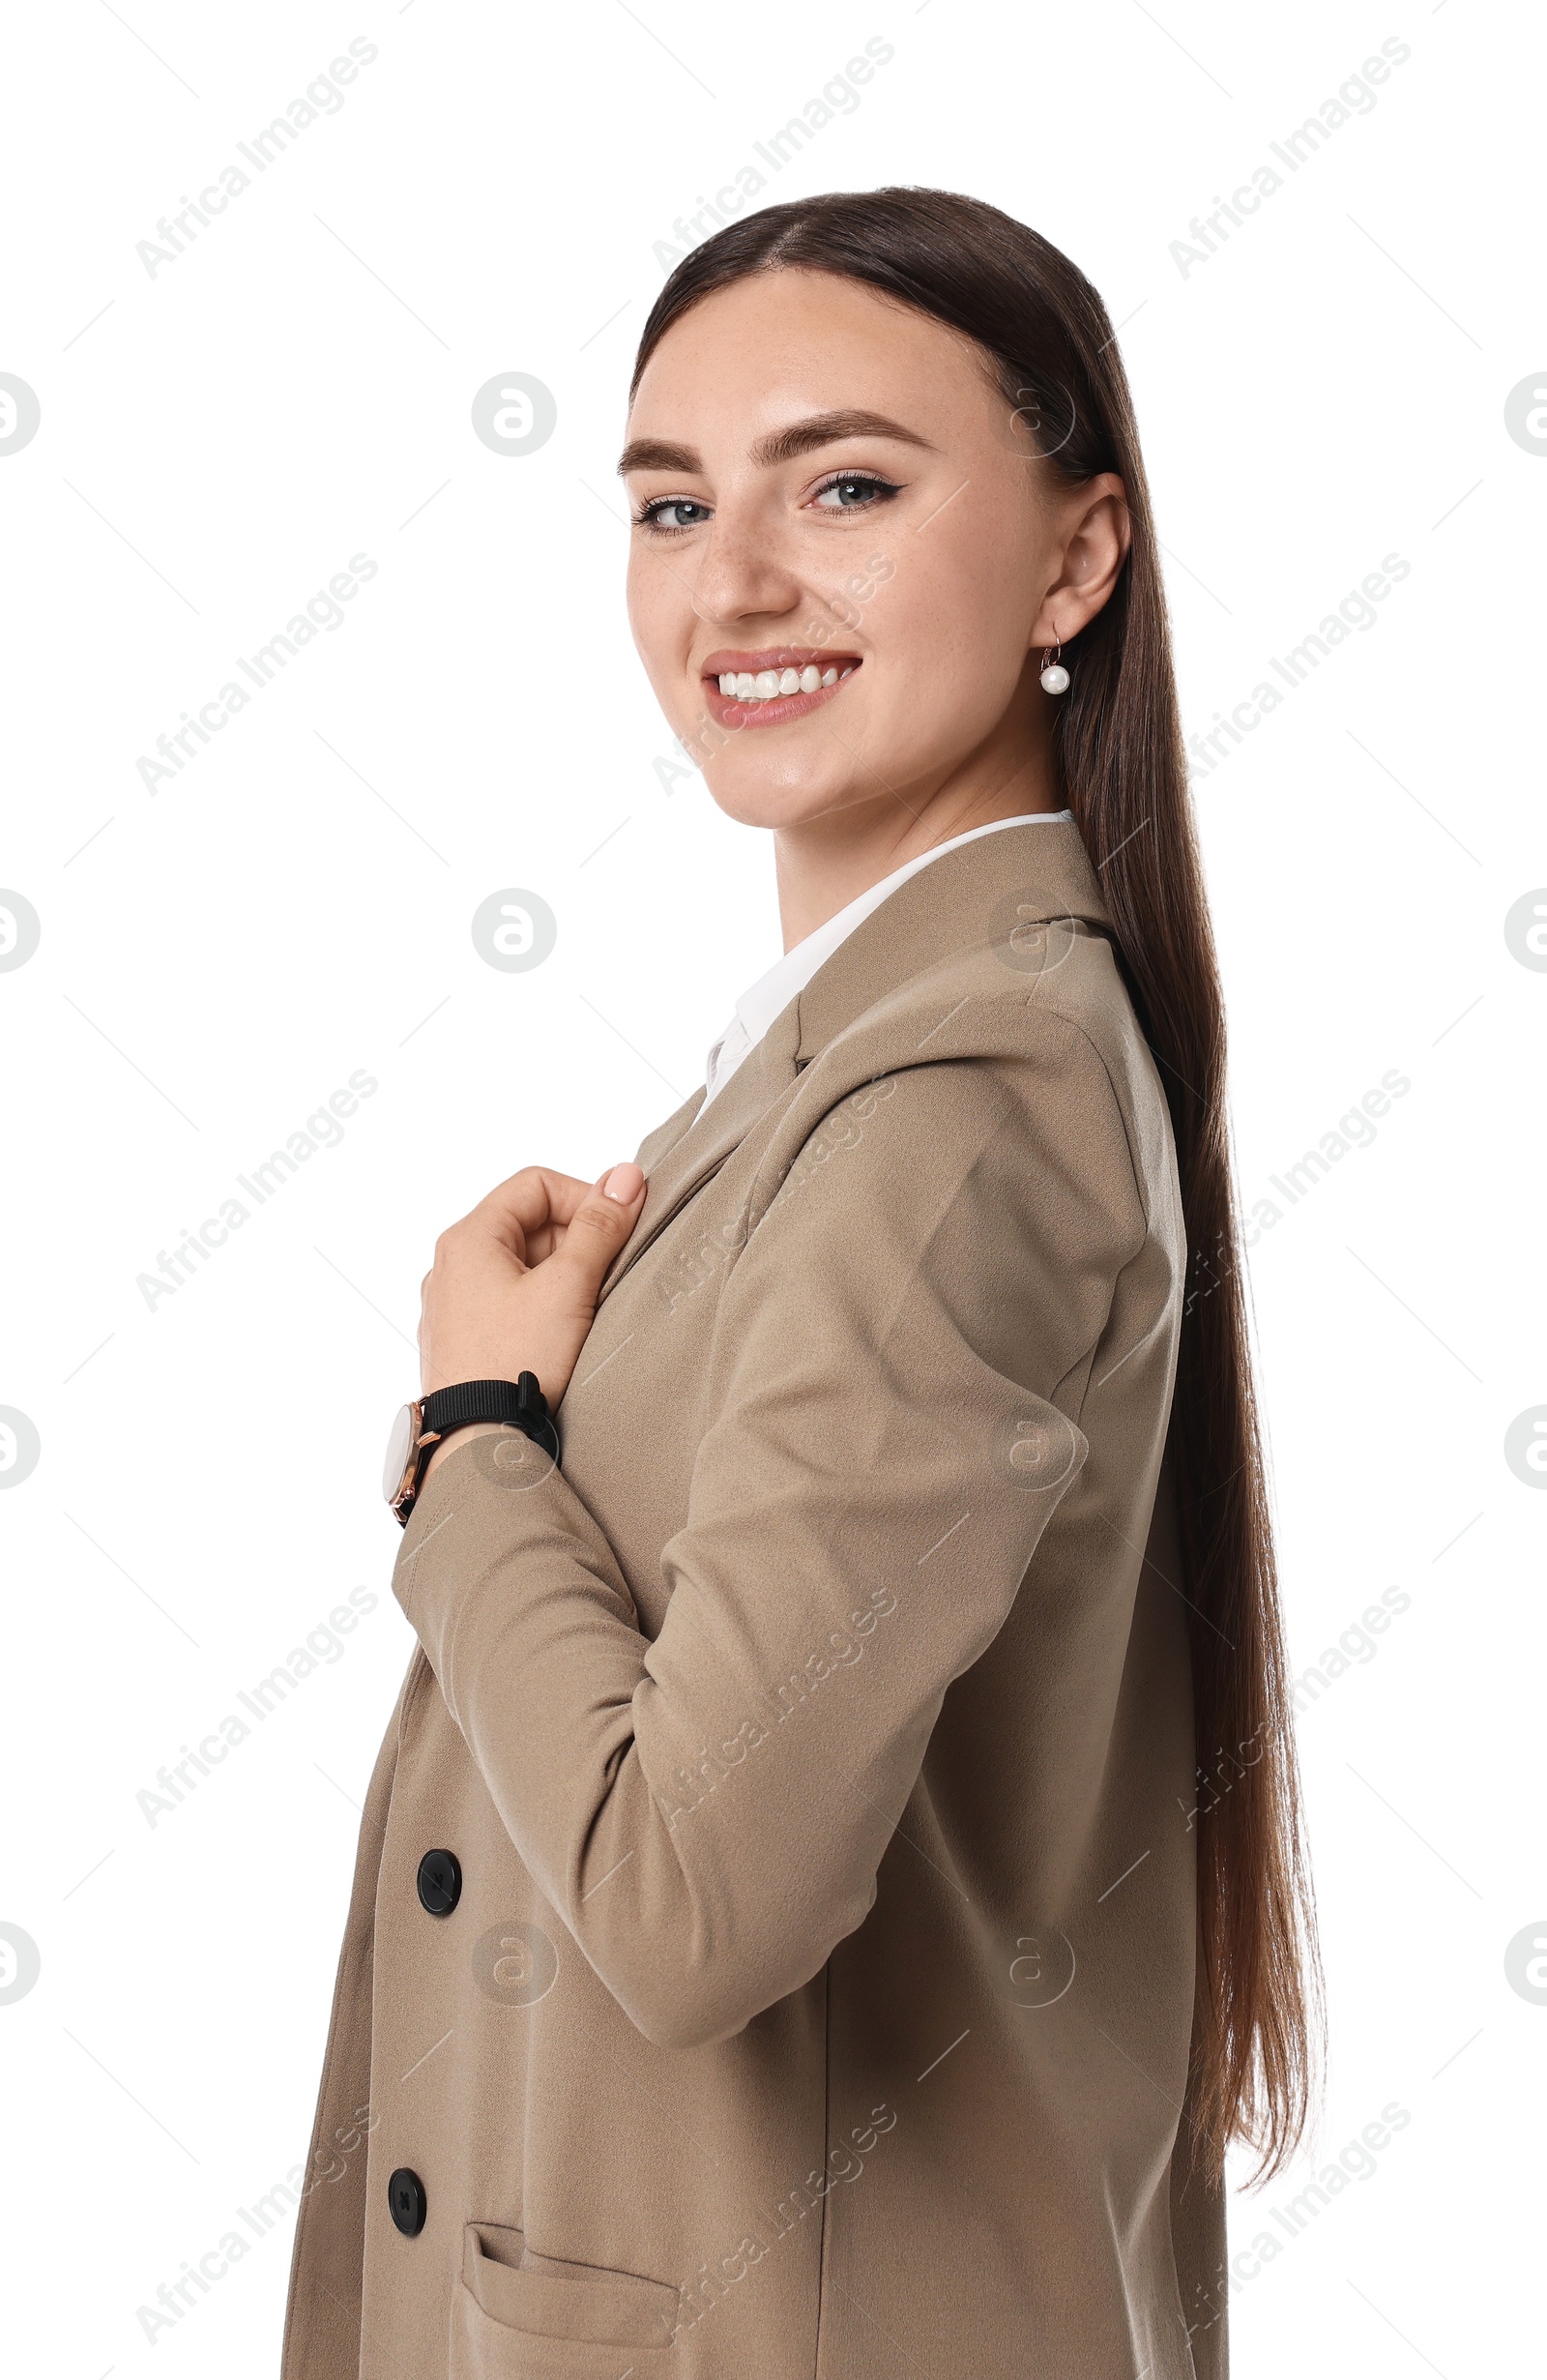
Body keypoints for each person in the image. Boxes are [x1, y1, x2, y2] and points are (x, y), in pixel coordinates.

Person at [282, 186, 1320, 2380]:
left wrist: (475, 1442)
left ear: (1074, 555)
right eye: (668, 504)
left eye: (844, 483)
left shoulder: (950, 1090)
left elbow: (687, 1905)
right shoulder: (876, 1052)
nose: (732, 583)